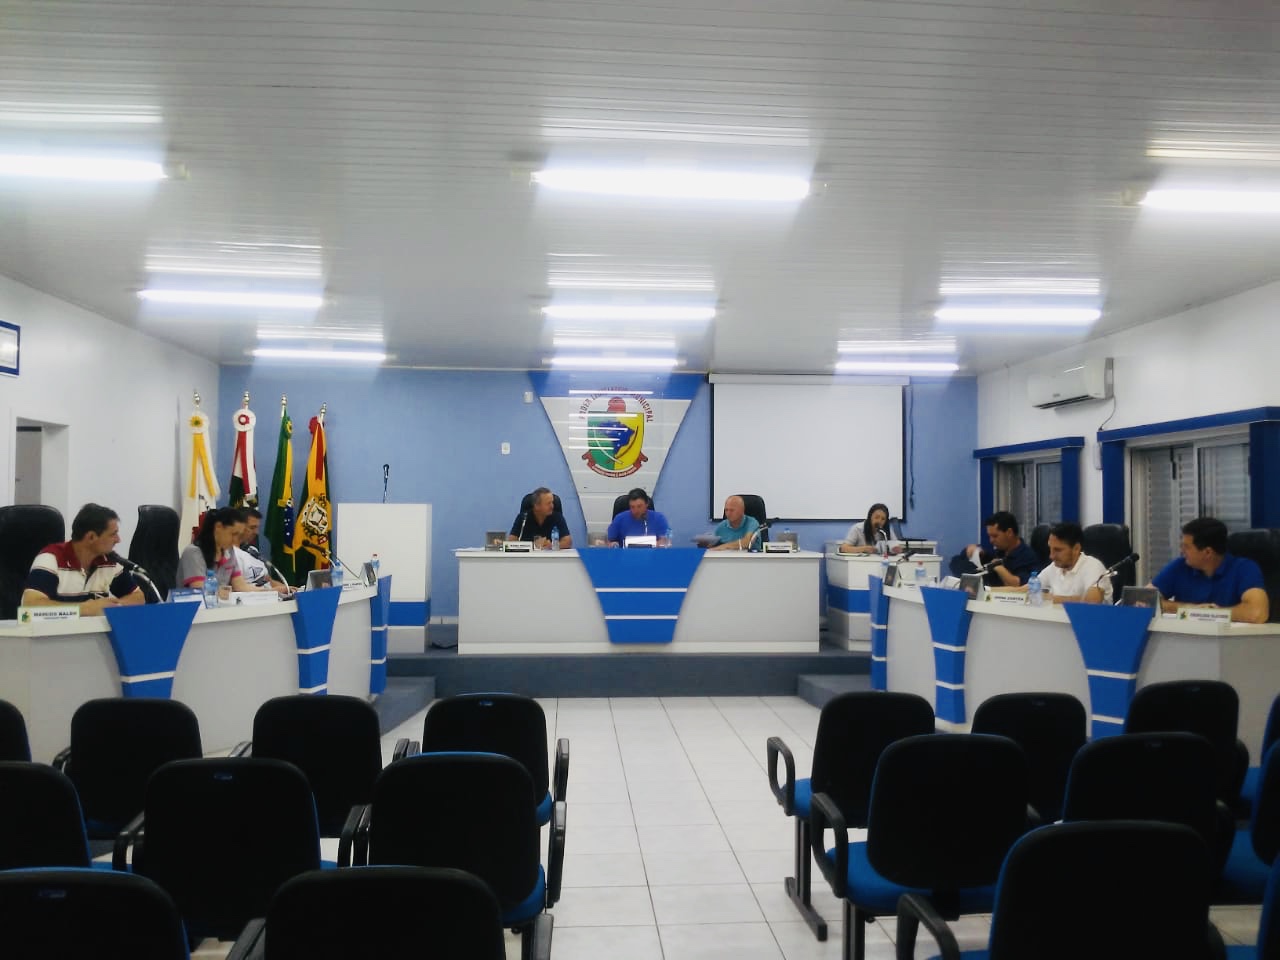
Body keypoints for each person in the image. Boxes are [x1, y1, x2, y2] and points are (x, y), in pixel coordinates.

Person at [22, 502, 144, 615]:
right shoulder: (51, 558)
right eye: (113, 534)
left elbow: (138, 597)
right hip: (52, 631)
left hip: (93, 631)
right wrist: (85, 609)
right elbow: (30, 606)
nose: (118, 540)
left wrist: (115, 606)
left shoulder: (108, 561)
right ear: (91, 537)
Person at [1150, 517, 1269, 623]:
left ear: (1207, 552)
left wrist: (1212, 614)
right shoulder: (1179, 566)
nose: (1182, 551)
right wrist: (1188, 608)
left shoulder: (1244, 568)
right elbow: (1145, 601)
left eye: (1187, 547)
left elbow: (1257, 613)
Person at [1021, 522, 1112, 604]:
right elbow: (1026, 589)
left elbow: (1092, 602)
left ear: (1076, 548)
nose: (1051, 556)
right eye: (1050, 549)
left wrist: (1049, 598)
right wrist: (1012, 591)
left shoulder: (1093, 567)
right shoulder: (1055, 567)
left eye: (1058, 550)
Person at [177, 506, 256, 599]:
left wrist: (269, 591)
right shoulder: (193, 553)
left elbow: (241, 586)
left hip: (219, 605)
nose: (236, 540)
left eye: (239, 535)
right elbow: (201, 591)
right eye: (233, 534)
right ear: (218, 527)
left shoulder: (229, 551)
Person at [952, 511, 1039, 587]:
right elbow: (955, 565)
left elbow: (1019, 585)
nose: (991, 540)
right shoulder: (998, 552)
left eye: (995, 536)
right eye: (989, 536)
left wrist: (998, 567)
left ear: (1009, 532)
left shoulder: (1027, 557)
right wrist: (970, 552)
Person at [235, 507, 293, 595]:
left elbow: (269, 581)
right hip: (255, 600)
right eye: (252, 527)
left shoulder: (252, 550)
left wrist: (290, 590)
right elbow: (237, 589)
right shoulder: (231, 556)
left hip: (273, 597)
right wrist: (275, 591)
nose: (256, 532)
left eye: (257, 527)